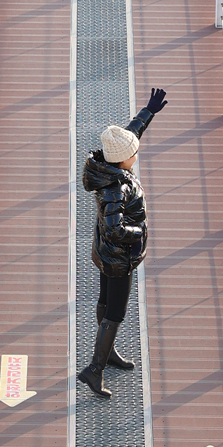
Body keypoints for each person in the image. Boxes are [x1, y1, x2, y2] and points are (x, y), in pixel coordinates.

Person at [78, 87, 169, 399]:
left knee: (105, 301)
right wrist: (138, 235)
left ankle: (108, 350)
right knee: (116, 312)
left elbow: (128, 137)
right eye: (135, 153)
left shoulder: (109, 165)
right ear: (124, 160)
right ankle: (95, 368)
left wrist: (148, 112)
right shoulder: (117, 188)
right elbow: (116, 228)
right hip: (119, 258)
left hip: (105, 253)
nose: (137, 153)